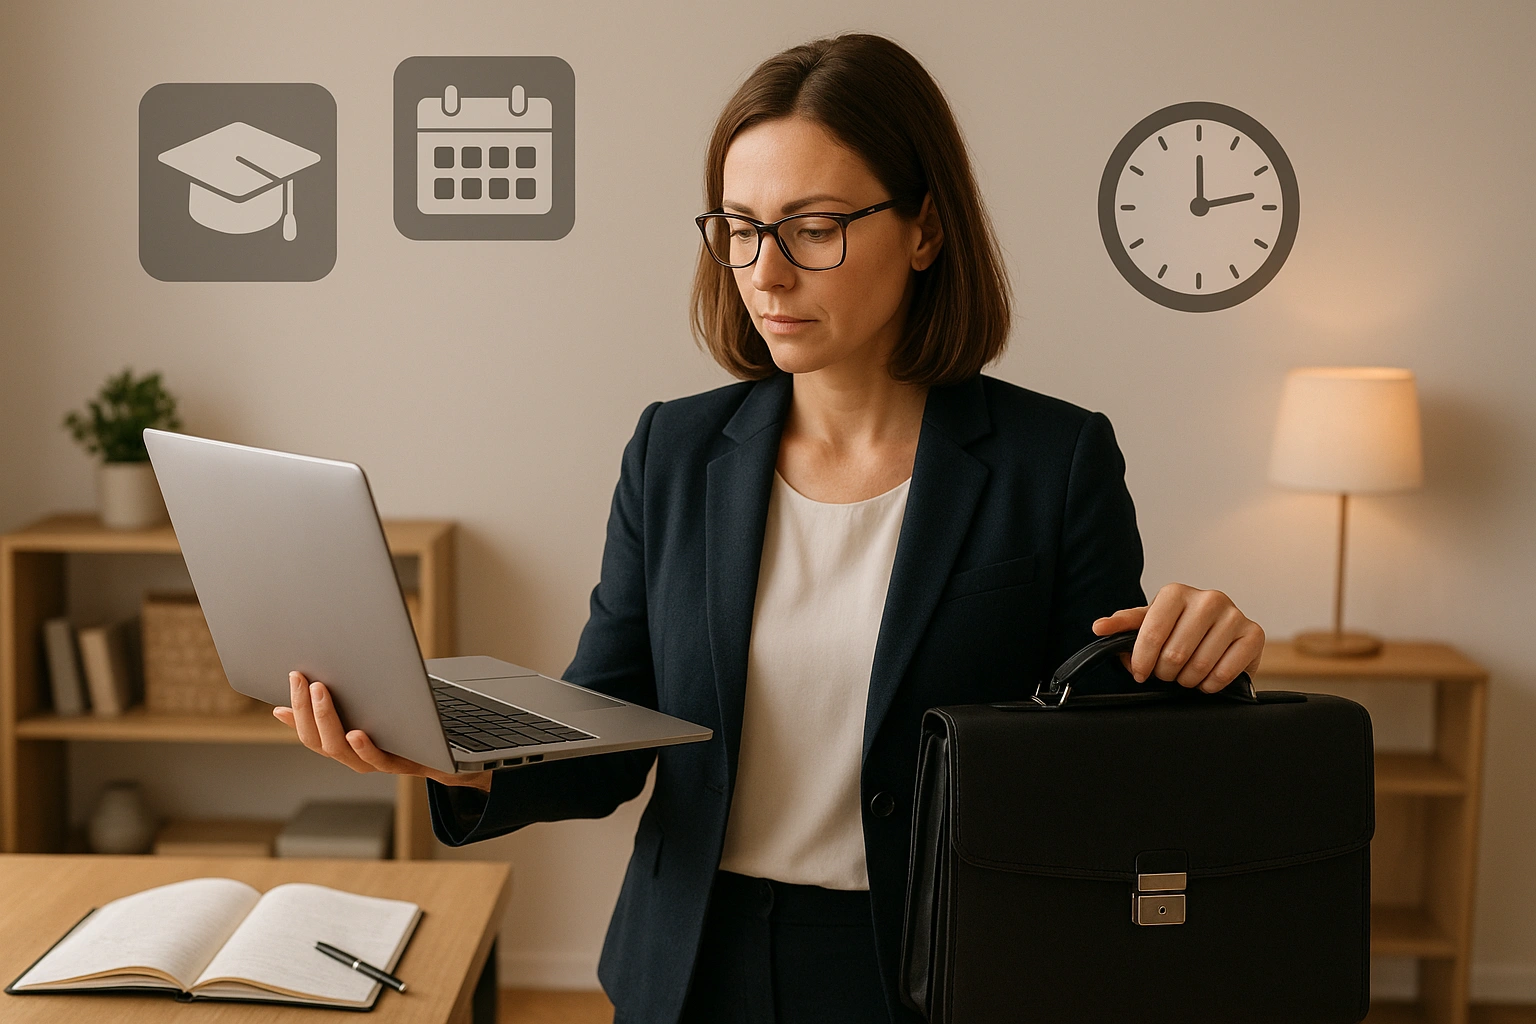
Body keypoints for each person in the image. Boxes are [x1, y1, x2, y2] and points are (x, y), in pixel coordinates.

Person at [275, 32, 1265, 1024]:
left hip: (936, 968)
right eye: (740, 228)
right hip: (691, 965)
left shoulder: (1054, 461)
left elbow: (1102, 764)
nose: (767, 272)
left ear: (925, 229)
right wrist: (453, 753)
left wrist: (1195, 661)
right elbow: (612, 726)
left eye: (814, 228)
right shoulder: (673, 450)